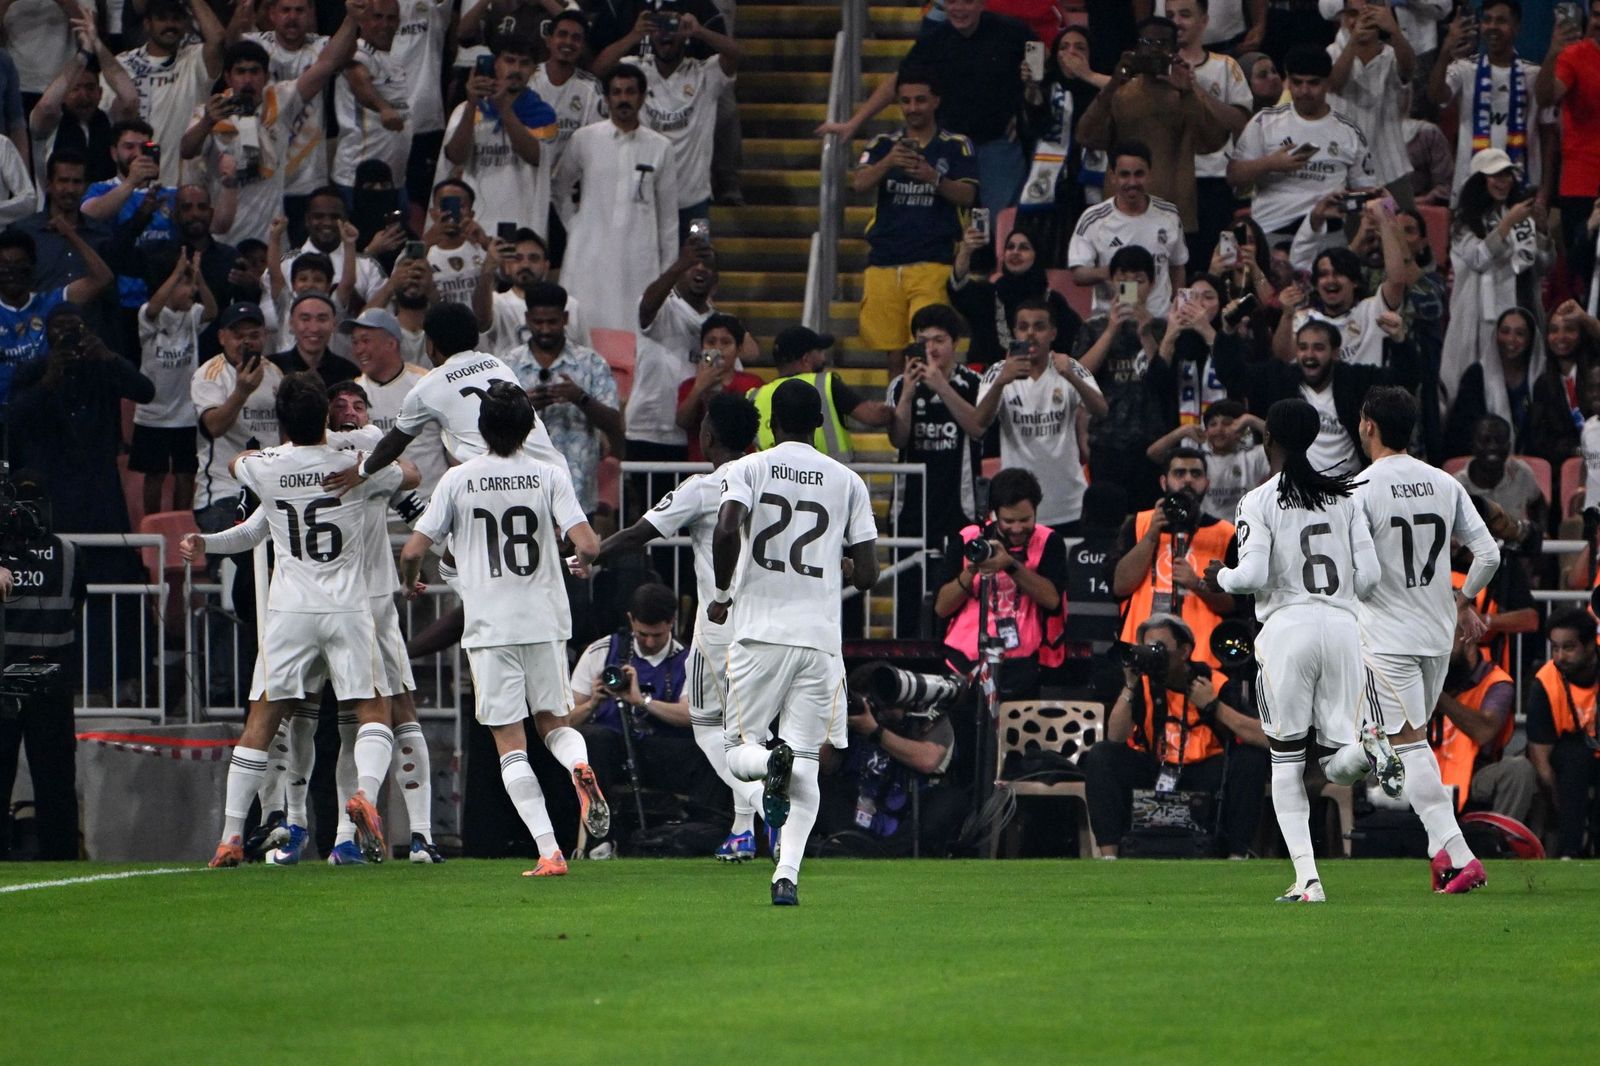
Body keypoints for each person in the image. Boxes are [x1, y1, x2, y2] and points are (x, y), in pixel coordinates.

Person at [203, 372, 404, 867]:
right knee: (373, 711)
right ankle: (366, 798)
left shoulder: (265, 466)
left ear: (281, 421)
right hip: (346, 607)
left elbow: (235, 462)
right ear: (327, 417)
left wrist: (255, 456)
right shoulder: (354, 465)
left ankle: (231, 836)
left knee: (263, 721)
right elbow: (408, 474)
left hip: (289, 610)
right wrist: (359, 460)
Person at [400, 381, 598, 876]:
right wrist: (578, 561)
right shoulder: (548, 474)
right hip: (546, 620)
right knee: (555, 723)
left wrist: (411, 583)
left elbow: (413, 551)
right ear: (531, 426)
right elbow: (589, 545)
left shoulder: (459, 480)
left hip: (490, 628)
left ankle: (550, 851)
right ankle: (579, 767)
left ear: (481, 429)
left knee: (510, 743)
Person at [1321, 385, 1501, 893]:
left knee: (1408, 746)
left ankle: (1461, 856)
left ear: (1367, 425)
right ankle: (1439, 854)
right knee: (1412, 743)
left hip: (1387, 635)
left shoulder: (1359, 489)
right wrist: (1464, 599)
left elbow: (1360, 575)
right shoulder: (1443, 482)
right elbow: (1488, 555)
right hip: (1436, 633)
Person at [711, 378, 880, 905]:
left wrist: (720, 593)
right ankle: (786, 874)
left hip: (760, 632)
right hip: (819, 639)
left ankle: (768, 765)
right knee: (807, 762)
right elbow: (871, 573)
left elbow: (725, 528)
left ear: (769, 422)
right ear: (820, 424)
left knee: (739, 750)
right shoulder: (847, 479)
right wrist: (844, 568)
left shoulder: (750, 468)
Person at [1203, 397, 1377, 903]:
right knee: (1339, 752)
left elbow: (1253, 575)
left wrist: (1222, 576)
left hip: (1287, 628)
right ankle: (1367, 748)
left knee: (1286, 757)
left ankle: (1308, 879)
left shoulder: (1257, 500)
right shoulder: (1345, 497)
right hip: (1343, 627)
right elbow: (1370, 578)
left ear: (1268, 440)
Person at [584, 394, 764, 860]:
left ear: (707, 435)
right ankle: (745, 831)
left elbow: (637, 534)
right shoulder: (771, 479)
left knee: (708, 727)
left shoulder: (705, 486)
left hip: (720, 626)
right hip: (771, 624)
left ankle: (764, 803)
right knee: (747, 734)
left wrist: (588, 555)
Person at [1078, 612, 1268, 858]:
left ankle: (1237, 855)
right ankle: (1109, 856)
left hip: (1203, 770)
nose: (1153, 655)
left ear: (1184, 651)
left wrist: (1214, 706)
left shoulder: (1213, 681)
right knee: (1102, 755)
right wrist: (1129, 686)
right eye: (1147, 648)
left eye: (1160, 648)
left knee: (1249, 759)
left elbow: (1265, 737)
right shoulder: (1142, 683)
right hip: (1155, 768)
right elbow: (1116, 737)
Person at [820, 0, 1030, 214]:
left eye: (967, 2)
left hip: (996, 146)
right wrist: (854, 123)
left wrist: (1025, 112)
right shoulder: (934, 40)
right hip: (951, 148)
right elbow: (899, 81)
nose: (958, 9)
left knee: (1002, 223)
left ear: (982, 4)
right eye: (952, 2)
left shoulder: (1013, 32)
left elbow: (1043, 67)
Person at [182, 22, 360, 248]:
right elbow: (187, 150)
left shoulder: (281, 100)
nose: (247, 79)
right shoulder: (210, 112)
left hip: (271, 241)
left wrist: (351, 18)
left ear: (266, 76)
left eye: (254, 71)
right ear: (228, 77)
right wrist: (208, 121)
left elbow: (326, 64)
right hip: (223, 238)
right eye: (240, 71)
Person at [853, 68, 978, 362]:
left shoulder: (956, 145)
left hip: (932, 261)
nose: (912, 108)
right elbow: (859, 183)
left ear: (936, 101)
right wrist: (888, 162)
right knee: (893, 355)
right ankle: (899, 404)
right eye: (906, 101)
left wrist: (933, 178)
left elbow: (968, 195)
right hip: (884, 261)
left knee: (927, 352)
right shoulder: (882, 145)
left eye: (920, 100)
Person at [1075, 15, 1231, 235]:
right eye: (1147, 43)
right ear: (1136, 48)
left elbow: (1212, 143)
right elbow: (1085, 136)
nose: (1155, 50)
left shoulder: (1187, 94)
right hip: (1120, 216)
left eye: (1162, 43)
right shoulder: (1120, 93)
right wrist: (1113, 84)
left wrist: (1188, 92)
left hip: (1175, 217)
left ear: (1175, 49)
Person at [551, 63, 678, 334]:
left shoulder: (660, 147)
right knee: (582, 326)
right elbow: (560, 187)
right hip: (589, 256)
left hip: (639, 256)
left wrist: (668, 275)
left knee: (634, 330)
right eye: (617, 92)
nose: (623, 98)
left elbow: (669, 219)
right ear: (606, 99)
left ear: (642, 97)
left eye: (630, 92)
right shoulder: (585, 139)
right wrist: (575, 227)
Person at [1216, 317, 1421, 480]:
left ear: (1335, 353)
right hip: (1297, 494)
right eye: (1303, 347)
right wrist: (1227, 331)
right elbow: (1234, 376)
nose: (1309, 355)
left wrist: (1400, 340)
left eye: (1318, 348)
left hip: (1350, 492)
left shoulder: (1356, 381)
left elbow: (1406, 380)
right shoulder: (1280, 380)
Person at [596, 5, 740, 235]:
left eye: (673, 27)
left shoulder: (704, 74)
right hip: (648, 202)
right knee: (651, 266)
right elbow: (599, 68)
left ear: (684, 36)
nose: (666, 34)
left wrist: (699, 31)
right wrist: (634, 34)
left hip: (695, 202)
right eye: (659, 26)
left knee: (700, 260)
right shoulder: (637, 69)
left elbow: (736, 54)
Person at [975, 299, 1108, 532]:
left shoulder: (1070, 366)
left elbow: (1101, 410)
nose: (1030, 334)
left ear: (1053, 333)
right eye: (1023, 327)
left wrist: (1073, 378)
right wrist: (1001, 383)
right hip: (1017, 508)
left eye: (1039, 327)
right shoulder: (998, 372)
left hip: (1069, 504)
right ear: (1014, 332)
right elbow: (980, 423)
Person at [0, 506, 85, 861]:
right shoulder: (68, 552)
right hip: (51, 678)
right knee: (56, 782)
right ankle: (61, 857)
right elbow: (78, 604)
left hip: (5, 681)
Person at [933, 467, 1068, 689]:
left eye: (1025, 520)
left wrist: (1010, 565)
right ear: (994, 514)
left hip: (1022, 663)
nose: (1017, 528)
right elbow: (941, 608)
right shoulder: (969, 538)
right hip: (964, 660)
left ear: (1036, 510)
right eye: (1008, 521)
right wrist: (974, 567)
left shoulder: (1048, 541)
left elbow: (1052, 600)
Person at [1439, 149, 1553, 413]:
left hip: (1523, 305)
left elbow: (1543, 266)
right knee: (1480, 384)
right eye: (1495, 176)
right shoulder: (1463, 223)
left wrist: (1544, 230)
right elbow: (1479, 258)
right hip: (1480, 317)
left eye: (1506, 175)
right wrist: (1507, 223)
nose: (1503, 182)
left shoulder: (1522, 216)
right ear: (1480, 180)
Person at [1226, 44, 1377, 237]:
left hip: (1326, 234)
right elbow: (1233, 176)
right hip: (1272, 230)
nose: (1304, 91)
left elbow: (1365, 190)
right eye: (1297, 83)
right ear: (1288, 81)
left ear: (1327, 83)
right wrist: (1270, 163)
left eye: (1313, 83)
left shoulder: (1349, 131)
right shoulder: (1264, 121)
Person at [814, 664, 964, 858]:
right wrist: (833, 724)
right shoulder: (854, 722)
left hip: (907, 815)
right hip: (857, 808)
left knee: (949, 800)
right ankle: (853, 849)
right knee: (816, 787)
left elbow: (927, 760)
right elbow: (826, 764)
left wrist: (875, 731)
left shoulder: (926, 715)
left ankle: (887, 855)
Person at [1111, 445, 1238, 668]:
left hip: (1201, 659)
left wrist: (1196, 584)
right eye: (1179, 473)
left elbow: (1234, 605)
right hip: (1142, 652)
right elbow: (1120, 586)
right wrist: (1151, 536)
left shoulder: (1226, 534)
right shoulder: (1139, 524)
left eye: (1196, 474)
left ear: (1207, 484)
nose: (1188, 480)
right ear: (1163, 482)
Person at [507, 281, 624, 513]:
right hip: (523, 496)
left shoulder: (592, 363)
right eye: (538, 322)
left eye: (552, 322)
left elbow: (614, 423)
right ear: (528, 319)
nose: (546, 329)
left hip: (577, 496)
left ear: (566, 318)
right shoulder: (508, 365)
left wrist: (580, 398)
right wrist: (523, 406)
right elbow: (490, 428)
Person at [226, 0, 335, 241]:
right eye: (285, 10)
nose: (292, 17)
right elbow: (230, 48)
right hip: (263, 181)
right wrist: (237, 22)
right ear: (272, 13)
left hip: (308, 177)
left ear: (310, 14)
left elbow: (339, 56)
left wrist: (352, 17)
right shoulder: (257, 44)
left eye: (299, 10)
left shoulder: (321, 45)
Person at [1072, 246, 1172, 508]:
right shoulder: (1092, 328)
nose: (1130, 286)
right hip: (1107, 442)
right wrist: (1111, 329)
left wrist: (1145, 333)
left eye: (1138, 280)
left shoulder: (1164, 329)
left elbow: (1163, 382)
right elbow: (1080, 375)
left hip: (1153, 442)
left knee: (1149, 521)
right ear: (1113, 282)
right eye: (1123, 279)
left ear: (1151, 284)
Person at [1431, 2, 1553, 207]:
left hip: (1522, 186)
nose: (1492, 26)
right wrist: (1445, 51)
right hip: (1470, 185)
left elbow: (1548, 138)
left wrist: (1545, 192)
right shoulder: (1464, 69)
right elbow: (1436, 96)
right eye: (1487, 20)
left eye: (1501, 20)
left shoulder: (1534, 75)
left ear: (1517, 27)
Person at [439, 35, 559, 239]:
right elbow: (456, 157)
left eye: (524, 63)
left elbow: (535, 156)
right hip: (474, 225)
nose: (516, 69)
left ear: (533, 70)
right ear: (496, 64)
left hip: (524, 226)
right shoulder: (466, 110)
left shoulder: (543, 114)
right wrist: (471, 105)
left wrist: (504, 108)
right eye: (509, 60)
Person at [888, 303, 985, 549]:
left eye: (939, 340)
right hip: (909, 509)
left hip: (959, 508)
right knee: (907, 585)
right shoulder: (900, 385)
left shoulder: (975, 384)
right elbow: (898, 440)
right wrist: (908, 394)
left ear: (956, 342)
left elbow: (978, 429)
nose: (930, 348)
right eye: (923, 341)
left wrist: (941, 386)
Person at [629, 241, 731, 466]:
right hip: (648, 430)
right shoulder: (663, 307)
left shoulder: (719, 326)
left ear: (716, 280)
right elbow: (646, 308)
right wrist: (678, 266)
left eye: (708, 265)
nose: (700, 268)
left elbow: (749, 353)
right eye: (693, 263)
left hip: (694, 435)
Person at [1170, 0, 1254, 269]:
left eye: (1185, 15)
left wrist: (1196, 90)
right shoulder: (1155, 68)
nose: (1176, 22)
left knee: (1214, 263)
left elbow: (1240, 122)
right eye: (1170, 15)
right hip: (1167, 182)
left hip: (1213, 182)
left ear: (1204, 20)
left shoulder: (1226, 66)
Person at [132, 248, 216, 518]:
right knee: (154, 474)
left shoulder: (192, 315)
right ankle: (152, 523)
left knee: (185, 474)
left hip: (186, 414)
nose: (191, 290)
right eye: (184, 283)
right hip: (152, 414)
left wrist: (198, 278)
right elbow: (155, 307)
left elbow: (213, 311)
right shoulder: (148, 314)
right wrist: (177, 271)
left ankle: (182, 522)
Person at [190, 302, 282, 534]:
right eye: (238, 335)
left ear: (264, 336)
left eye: (254, 335)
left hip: (270, 491)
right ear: (222, 337)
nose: (246, 342)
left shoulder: (275, 373)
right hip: (224, 492)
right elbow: (213, 427)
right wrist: (242, 391)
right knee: (241, 559)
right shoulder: (209, 375)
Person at [1067, 141, 1188, 317]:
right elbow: (1078, 274)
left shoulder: (1169, 214)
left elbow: (1178, 266)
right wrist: (1112, 272)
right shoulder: (1094, 218)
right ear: (1112, 176)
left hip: (1159, 320)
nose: (1132, 182)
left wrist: (1179, 308)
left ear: (1150, 174)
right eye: (1124, 174)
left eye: (1139, 174)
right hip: (1111, 322)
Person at [113, 0, 226, 187]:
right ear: (147, 24)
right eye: (162, 19)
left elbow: (217, 38)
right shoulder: (124, 63)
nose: (170, 25)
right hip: (132, 187)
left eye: (176, 19)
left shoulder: (195, 59)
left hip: (185, 190)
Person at [1431, 625, 1536, 824]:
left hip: (1474, 773)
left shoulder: (1497, 683)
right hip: (1423, 768)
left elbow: (1484, 731)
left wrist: (1438, 697)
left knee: (1519, 770)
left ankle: (1497, 841)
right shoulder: (1425, 671)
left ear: (1468, 641)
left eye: (1445, 641)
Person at [0, 226, 112, 412]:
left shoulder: (51, 302)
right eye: (4, 267)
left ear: (33, 267)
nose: (12, 273)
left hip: (49, 410)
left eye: (19, 265)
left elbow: (102, 278)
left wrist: (70, 234)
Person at [344, 306, 447, 502]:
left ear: (391, 343)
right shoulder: (349, 397)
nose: (358, 349)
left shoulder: (427, 384)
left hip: (429, 512)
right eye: (355, 342)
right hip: (376, 518)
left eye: (366, 341)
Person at [747, 327, 893, 461]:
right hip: (828, 481)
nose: (824, 358)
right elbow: (874, 416)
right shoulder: (825, 383)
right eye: (820, 352)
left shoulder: (755, 396)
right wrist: (904, 397)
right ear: (806, 359)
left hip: (776, 483)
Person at [949, 221, 1080, 368]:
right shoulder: (986, 295)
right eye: (1010, 247)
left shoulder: (1053, 302)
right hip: (990, 382)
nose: (1015, 252)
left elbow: (1072, 345)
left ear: (1037, 255)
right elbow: (958, 288)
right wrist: (966, 250)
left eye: (1024, 248)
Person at [28, 15, 139, 189]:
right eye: (76, 89)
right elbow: (48, 105)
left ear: (100, 93)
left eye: (89, 88)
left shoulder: (110, 119)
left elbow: (131, 98)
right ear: (64, 94)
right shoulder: (49, 124)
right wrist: (84, 55)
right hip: (55, 208)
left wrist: (97, 44)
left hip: (103, 207)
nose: (84, 95)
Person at [1525, 607, 1600, 859]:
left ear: (1590, 645)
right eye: (1554, 648)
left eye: (1568, 647)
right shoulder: (1545, 682)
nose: (1559, 656)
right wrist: (1566, 811)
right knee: (1574, 756)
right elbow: (1541, 760)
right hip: (1567, 757)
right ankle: (1570, 849)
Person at [1325, 0, 1414, 208]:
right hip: (1344, 169)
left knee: (1404, 234)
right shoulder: (1331, 52)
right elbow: (1335, 83)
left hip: (1390, 165)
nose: (1358, 21)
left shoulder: (1392, 53)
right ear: (1344, 17)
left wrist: (1396, 32)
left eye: (1367, 15)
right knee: (1354, 239)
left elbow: (1408, 71)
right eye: (1352, 14)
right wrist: (1354, 41)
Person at [1535, 2, 1600, 277]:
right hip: (1582, 184)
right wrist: (1552, 53)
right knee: (1584, 275)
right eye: (1597, 15)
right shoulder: (1573, 56)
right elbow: (1545, 97)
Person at [333, 0, 410, 205]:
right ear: (362, 21)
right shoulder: (357, 51)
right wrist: (383, 108)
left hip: (393, 179)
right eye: (377, 17)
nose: (384, 24)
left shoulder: (393, 61)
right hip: (357, 179)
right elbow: (358, 78)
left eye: (391, 18)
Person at [1443, 310, 1546, 459]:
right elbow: (1461, 432)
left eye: (1520, 333)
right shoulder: (1476, 375)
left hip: (1534, 465)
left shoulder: (1543, 377)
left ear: (1530, 339)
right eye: (1505, 331)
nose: (1511, 339)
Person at [1147, 399, 1269, 522]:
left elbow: (1284, 444)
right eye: (1213, 424)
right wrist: (1182, 431)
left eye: (1227, 423)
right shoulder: (1198, 461)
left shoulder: (1254, 456)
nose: (1219, 429)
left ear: (1242, 430)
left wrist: (1251, 420)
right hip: (1207, 531)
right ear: (1206, 431)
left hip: (1245, 531)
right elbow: (1154, 453)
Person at [675, 313, 763, 462]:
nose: (718, 348)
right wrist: (699, 388)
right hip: (700, 469)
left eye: (726, 342)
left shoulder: (753, 383)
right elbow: (683, 421)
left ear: (739, 348)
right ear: (702, 346)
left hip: (742, 466)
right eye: (711, 342)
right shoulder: (689, 386)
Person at [270, 291, 361, 385]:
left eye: (322, 319)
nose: (314, 328)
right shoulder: (272, 369)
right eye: (305, 319)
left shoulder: (349, 374)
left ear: (334, 324)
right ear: (291, 324)